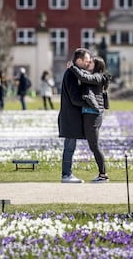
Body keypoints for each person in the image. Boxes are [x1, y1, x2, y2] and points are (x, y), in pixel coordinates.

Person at [68, 56, 111, 182]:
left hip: (93, 115)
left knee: (94, 145)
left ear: (97, 65)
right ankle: (102, 174)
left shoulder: (98, 77)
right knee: (93, 145)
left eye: (91, 62)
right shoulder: (94, 76)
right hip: (89, 114)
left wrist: (72, 67)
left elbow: (84, 77)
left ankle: (103, 174)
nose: (88, 63)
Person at [58, 48, 91, 183]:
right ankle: (66, 175)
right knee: (69, 146)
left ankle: (67, 174)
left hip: (71, 116)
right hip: (70, 117)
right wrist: (90, 104)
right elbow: (74, 98)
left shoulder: (74, 72)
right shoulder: (71, 74)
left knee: (70, 146)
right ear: (79, 61)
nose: (88, 63)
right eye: (86, 61)